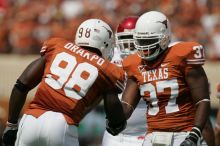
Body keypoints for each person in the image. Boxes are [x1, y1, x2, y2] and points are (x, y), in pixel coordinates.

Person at [2, 19, 127, 146]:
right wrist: (118, 123)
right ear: (104, 43)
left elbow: (22, 85)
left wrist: (11, 124)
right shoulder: (107, 69)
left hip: (31, 120)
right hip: (62, 125)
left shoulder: (57, 46)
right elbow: (113, 112)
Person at [121, 11, 211, 146]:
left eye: (149, 41)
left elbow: (202, 100)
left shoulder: (181, 56)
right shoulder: (134, 64)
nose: (145, 47)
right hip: (152, 135)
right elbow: (126, 107)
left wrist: (194, 133)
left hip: (183, 133)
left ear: (164, 37)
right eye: (141, 41)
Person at [102, 16, 147, 146]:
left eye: (133, 40)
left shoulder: (151, 57)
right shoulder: (110, 56)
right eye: (123, 40)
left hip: (145, 132)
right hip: (115, 134)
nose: (128, 46)